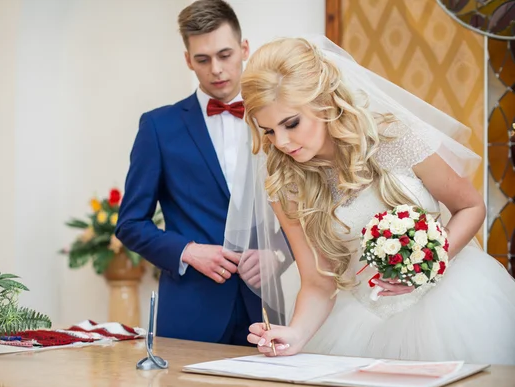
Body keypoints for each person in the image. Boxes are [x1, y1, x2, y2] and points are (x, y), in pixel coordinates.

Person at [230, 36, 515, 364]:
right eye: (267, 130)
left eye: (291, 123)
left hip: (451, 303)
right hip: (363, 319)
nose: (280, 142)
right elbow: (318, 282)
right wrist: (294, 333)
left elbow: (470, 207)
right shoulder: (287, 185)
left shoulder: (397, 139)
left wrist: (427, 263)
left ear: (324, 102)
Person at [115, 0, 265, 346]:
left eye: (225, 55)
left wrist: (278, 256)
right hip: (189, 316)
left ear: (244, 49)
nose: (216, 69)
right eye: (202, 59)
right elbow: (130, 223)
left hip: (265, 312)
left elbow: (300, 207)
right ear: (188, 60)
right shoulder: (158, 127)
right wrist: (187, 251)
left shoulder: (276, 120)